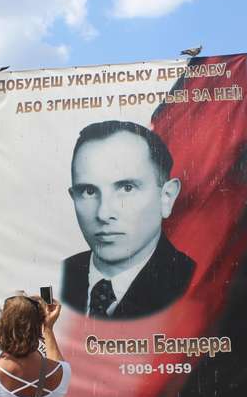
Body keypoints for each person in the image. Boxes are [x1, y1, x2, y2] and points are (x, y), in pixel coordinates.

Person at [61, 120, 195, 320]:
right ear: (74, 197)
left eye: (127, 188)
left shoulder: (195, 283)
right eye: (88, 191)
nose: (103, 214)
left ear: (166, 197)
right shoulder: (60, 275)